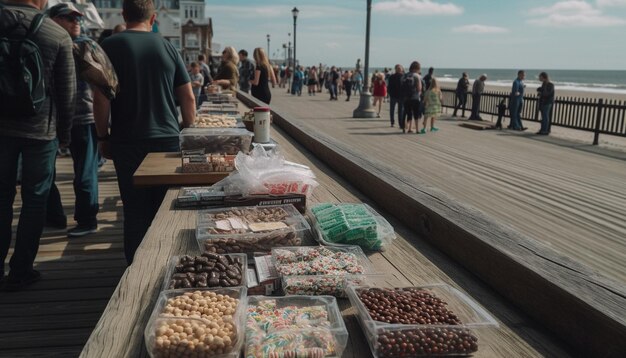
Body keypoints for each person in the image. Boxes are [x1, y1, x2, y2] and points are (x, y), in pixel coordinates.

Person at [95, 0, 196, 264]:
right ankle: (166, 265)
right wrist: (188, 131)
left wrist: (102, 136)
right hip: (166, 140)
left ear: (124, 15)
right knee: (165, 209)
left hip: (127, 140)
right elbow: (188, 98)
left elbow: (101, 98)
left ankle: (136, 269)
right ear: (153, 19)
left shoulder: (110, 46)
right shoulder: (166, 46)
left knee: (135, 210)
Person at [0, 0, 76, 290]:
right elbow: (66, 91)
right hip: (41, 131)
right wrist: (65, 135)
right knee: (35, 200)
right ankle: (21, 270)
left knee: (1, 198)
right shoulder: (56, 35)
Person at [47, 3, 106, 237]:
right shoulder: (52, 43)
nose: (76, 22)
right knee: (44, 174)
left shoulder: (86, 46)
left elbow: (104, 83)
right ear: (54, 20)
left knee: (85, 174)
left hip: (83, 117)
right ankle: (54, 215)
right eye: (69, 18)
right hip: (52, 119)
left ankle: (87, 220)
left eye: (77, 19)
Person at [402, 61, 423, 134]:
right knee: (416, 114)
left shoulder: (404, 75)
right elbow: (419, 88)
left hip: (406, 98)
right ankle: (417, 129)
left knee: (408, 113)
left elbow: (401, 86)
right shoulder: (417, 76)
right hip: (415, 97)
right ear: (416, 68)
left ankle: (408, 128)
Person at [387, 64, 405, 128]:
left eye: (400, 68)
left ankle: (400, 124)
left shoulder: (404, 76)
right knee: (393, 110)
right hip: (394, 96)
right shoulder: (392, 77)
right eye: (398, 68)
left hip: (400, 96)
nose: (399, 70)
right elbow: (389, 86)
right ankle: (393, 122)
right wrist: (390, 93)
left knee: (400, 110)